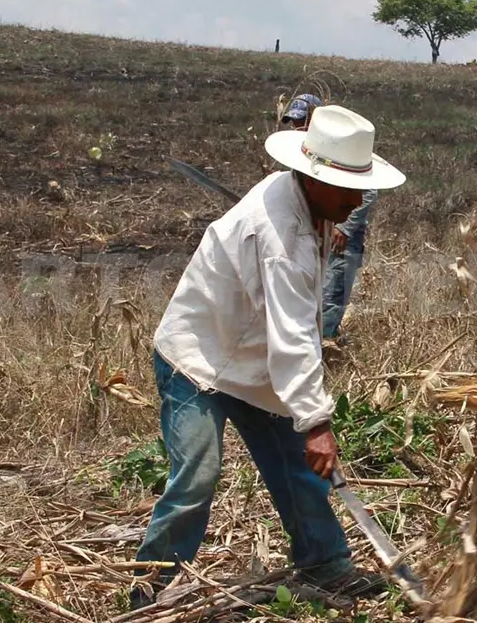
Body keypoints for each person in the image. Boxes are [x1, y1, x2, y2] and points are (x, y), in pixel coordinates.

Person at [130, 104, 406, 609]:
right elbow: (294, 336)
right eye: (348, 190)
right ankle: (152, 588)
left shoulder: (300, 198)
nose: (357, 200)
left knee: (297, 466)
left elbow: (288, 330)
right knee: (197, 475)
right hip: (199, 358)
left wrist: (327, 224)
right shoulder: (285, 240)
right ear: (315, 179)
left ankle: (325, 565)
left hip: (254, 360)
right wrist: (317, 422)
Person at [282, 94, 377, 342]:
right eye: (295, 123)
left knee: (333, 293)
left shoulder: (344, 154)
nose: (297, 128)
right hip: (314, 234)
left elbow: (367, 192)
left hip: (342, 239)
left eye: (302, 122)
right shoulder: (304, 153)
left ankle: (325, 344)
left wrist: (343, 228)